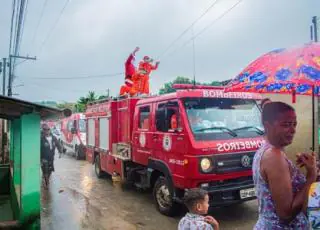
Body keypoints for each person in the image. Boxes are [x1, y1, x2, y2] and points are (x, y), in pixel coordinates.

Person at [253, 102, 317, 229]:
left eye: (294, 124)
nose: (293, 130)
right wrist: (311, 176)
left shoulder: (269, 151)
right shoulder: (274, 156)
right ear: (268, 126)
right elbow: (286, 214)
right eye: (286, 125)